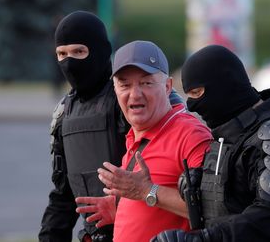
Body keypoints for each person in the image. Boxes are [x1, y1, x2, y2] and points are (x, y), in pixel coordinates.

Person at [151, 45, 270, 242]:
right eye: (189, 95)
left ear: (224, 85)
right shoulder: (229, 137)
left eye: (198, 92)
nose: (192, 105)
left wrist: (200, 240)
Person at [39, 12, 183, 242]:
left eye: (79, 52)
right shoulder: (64, 111)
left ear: (99, 51)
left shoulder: (129, 99)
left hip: (149, 230)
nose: (69, 62)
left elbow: (176, 147)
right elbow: (64, 194)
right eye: (62, 54)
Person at [75, 40, 213, 242]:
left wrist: (146, 191)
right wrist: (120, 207)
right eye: (124, 85)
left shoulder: (191, 134)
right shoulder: (136, 133)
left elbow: (213, 210)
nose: (135, 94)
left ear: (167, 87)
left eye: (146, 83)